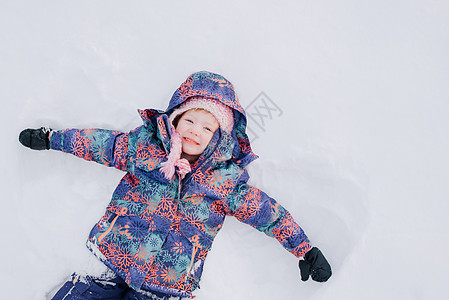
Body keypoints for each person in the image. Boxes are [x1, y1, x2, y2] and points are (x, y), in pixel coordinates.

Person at [19, 71, 332, 300]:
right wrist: (52, 139)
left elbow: (266, 213)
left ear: (219, 137)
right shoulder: (144, 148)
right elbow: (99, 144)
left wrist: (304, 250)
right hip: (111, 257)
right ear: (175, 120)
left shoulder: (226, 181)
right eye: (190, 121)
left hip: (167, 283)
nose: (196, 131)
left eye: (208, 127)